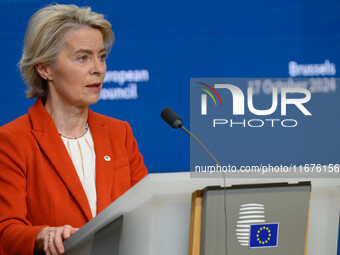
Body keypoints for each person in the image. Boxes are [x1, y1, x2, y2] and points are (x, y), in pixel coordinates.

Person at [0, 4, 148, 255]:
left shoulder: (119, 133)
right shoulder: (12, 140)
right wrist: (42, 234)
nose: (98, 69)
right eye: (83, 58)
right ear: (45, 68)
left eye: (101, 56)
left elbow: (146, 209)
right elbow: (5, 230)